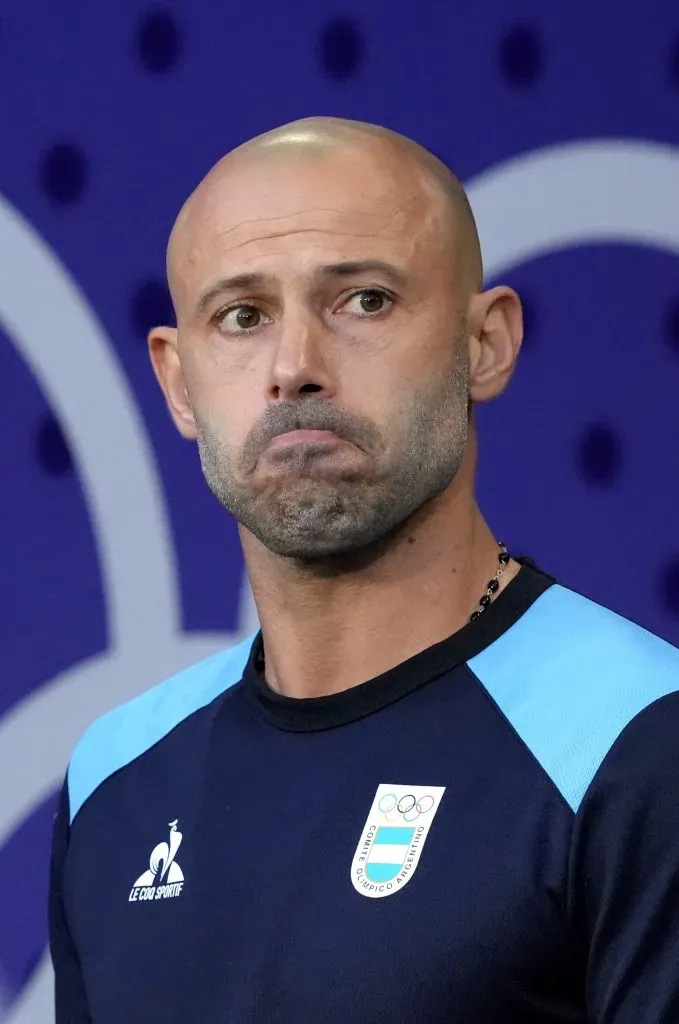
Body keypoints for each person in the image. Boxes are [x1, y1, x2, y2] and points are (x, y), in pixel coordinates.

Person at [50, 117, 679, 1023]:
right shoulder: (113, 777)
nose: (295, 366)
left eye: (363, 301)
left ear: (485, 343)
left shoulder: (637, 747)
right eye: (242, 316)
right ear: (179, 383)